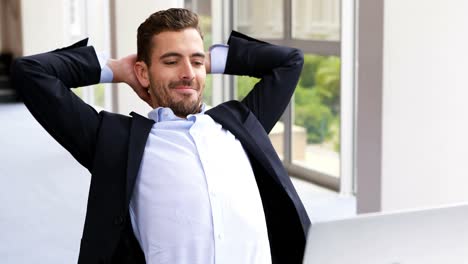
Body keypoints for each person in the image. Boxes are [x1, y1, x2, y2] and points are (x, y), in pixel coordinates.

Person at [12, 8, 310, 264]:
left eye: (196, 62)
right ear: (143, 73)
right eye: (171, 61)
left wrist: (210, 60)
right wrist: (116, 69)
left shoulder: (242, 124)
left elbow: (289, 61)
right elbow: (31, 72)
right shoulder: (116, 141)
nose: (187, 73)